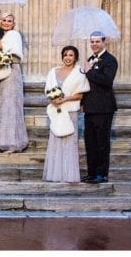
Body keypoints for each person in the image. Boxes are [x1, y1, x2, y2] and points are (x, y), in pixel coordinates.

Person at [43, 45, 90, 182]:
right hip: (56, 111)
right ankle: (55, 174)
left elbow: (81, 95)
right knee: (56, 141)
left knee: (70, 142)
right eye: (65, 55)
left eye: (71, 55)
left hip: (70, 111)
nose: (68, 58)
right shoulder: (53, 71)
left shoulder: (79, 72)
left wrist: (65, 99)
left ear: (75, 57)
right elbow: (48, 90)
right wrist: (53, 99)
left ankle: (69, 175)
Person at [82, 31, 119, 183]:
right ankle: (91, 172)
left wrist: (89, 71)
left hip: (103, 107)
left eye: (97, 42)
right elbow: (85, 84)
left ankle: (101, 174)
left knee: (102, 142)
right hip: (90, 107)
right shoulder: (90, 59)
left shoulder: (110, 60)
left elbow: (106, 81)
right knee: (90, 141)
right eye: (92, 42)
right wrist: (83, 102)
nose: (94, 45)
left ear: (104, 42)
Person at [0, 12, 28, 153]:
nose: (6, 23)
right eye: (4, 20)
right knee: (5, 106)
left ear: (13, 24)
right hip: (5, 74)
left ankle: (14, 143)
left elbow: (12, 55)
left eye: (9, 21)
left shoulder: (14, 35)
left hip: (12, 72)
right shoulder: (5, 35)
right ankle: (6, 141)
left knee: (11, 106)